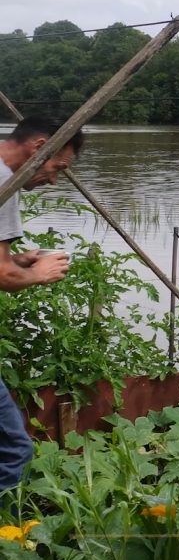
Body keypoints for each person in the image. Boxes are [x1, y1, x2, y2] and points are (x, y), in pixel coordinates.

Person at [0, 117, 85, 490]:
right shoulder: (5, 180)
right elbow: (2, 277)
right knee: (15, 450)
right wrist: (38, 273)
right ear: (38, 147)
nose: (53, 179)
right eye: (58, 167)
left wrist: (17, 260)